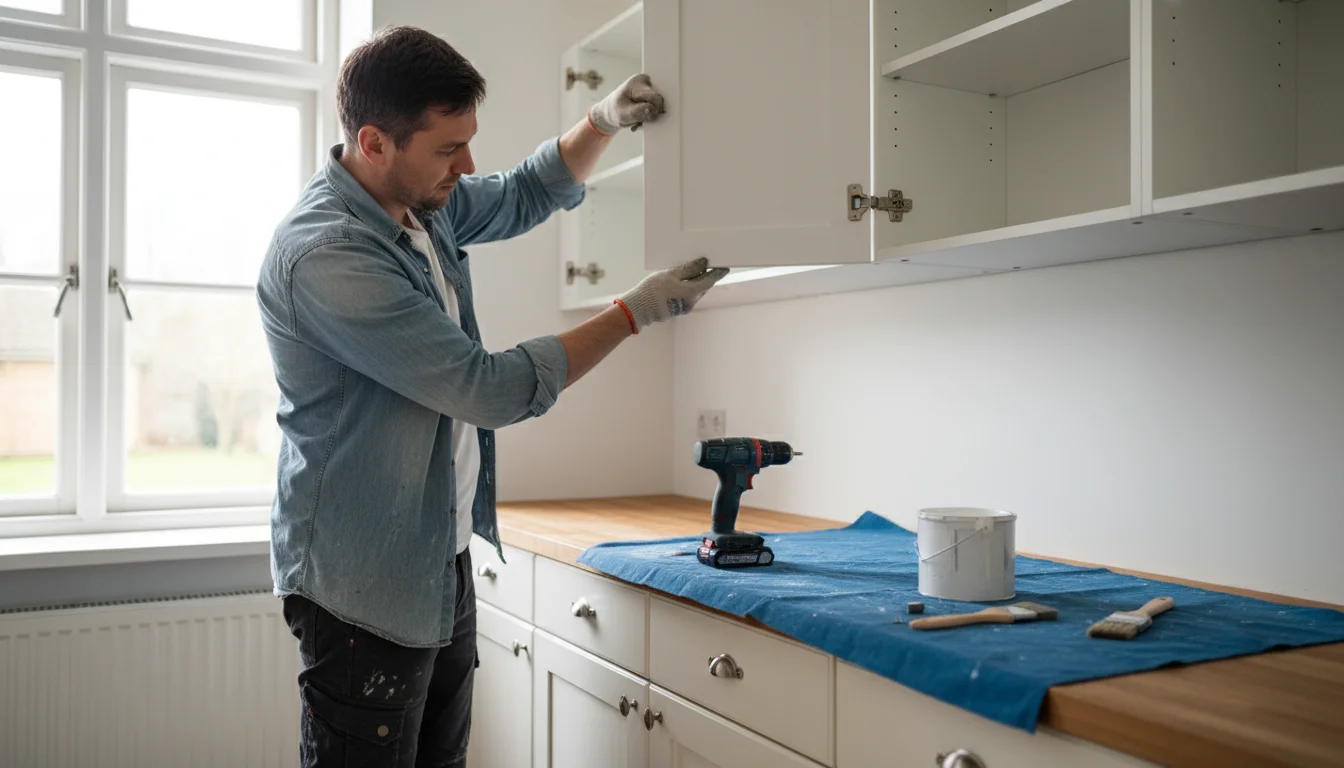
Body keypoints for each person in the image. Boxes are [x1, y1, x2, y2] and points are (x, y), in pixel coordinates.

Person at [255, 25, 728, 767]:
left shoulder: (420, 205)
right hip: (362, 583)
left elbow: (521, 192)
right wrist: (634, 313)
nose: (466, 165)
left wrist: (600, 120)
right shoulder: (329, 255)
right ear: (375, 143)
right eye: (448, 150)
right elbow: (489, 388)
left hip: (437, 556)